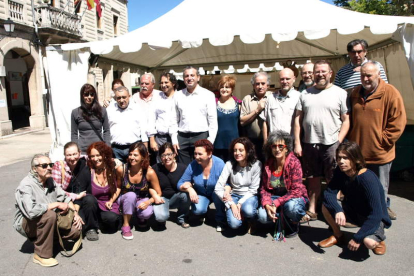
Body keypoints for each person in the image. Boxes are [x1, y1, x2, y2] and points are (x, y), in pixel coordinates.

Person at [348, 61, 406, 220]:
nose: (365, 79)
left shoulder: (390, 93)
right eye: (362, 75)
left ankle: (380, 218)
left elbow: (398, 122)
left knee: (380, 188)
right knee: (361, 186)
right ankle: (365, 215)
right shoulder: (354, 93)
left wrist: (383, 141)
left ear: (379, 74)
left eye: (369, 75)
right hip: (359, 153)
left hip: (380, 153)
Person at [294, 60, 350, 223]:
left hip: (331, 143)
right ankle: (312, 210)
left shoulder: (340, 93)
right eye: (317, 71)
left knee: (334, 179)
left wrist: (338, 142)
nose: (320, 74)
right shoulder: (304, 94)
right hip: (309, 143)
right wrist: (298, 143)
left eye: (323, 71)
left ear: (330, 73)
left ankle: (334, 210)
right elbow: (297, 120)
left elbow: (346, 120)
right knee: (312, 178)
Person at [318, 141, 391, 256]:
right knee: (326, 205)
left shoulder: (367, 179)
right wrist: (338, 210)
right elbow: (329, 193)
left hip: (372, 218)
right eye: (339, 158)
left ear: (356, 159)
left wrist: (357, 238)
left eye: (345, 158)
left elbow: (376, 214)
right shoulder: (341, 172)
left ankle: (378, 240)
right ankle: (338, 236)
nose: (341, 161)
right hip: (354, 212)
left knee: (368, 242)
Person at [14, 154, 83, 267]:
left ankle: (47, 240)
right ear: (34, 169)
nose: (49, 168)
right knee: (49, 215)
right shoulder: (26, 185)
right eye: (44, 166)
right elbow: (31, 211)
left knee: (75, 230)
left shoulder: (50, 181)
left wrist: (75, 213)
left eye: (50, 165)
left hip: (47, 219)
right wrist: (55, 204)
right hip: (27, 223)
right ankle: (41, 255)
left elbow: (65, 198)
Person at [258, 131, 309, 238]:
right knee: (262, 215)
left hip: (293, 198)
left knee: (291, 208)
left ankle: (293, 223)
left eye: (281, 146)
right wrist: (267, 204)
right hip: (275, 197)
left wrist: (276, 203)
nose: (277, 149)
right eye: (274, 146)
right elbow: (264, 189)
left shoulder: (294, 163)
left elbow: (297, 190)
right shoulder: (268, 164)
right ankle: (279, 221)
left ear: (287, 148)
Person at [52, 142, 101, 241]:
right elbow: (56, 191)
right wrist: (75, 196)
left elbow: (101, 159)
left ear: (79, 153)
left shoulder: (86, 161)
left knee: (90, 199)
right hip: (67, 200)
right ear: (65, 155)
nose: (72, 157)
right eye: (69, 155)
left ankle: (92, 228)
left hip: (85, 198)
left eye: (74, 154)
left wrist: (115, 161)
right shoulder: (59, 166)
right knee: (78, 230)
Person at [177, 139, 226, 232]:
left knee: (218, 193)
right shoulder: (193, 165)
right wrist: (190, 189)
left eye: (200, 154)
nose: (196, 157)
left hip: (216, 193)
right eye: (195, 154)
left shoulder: (220, 164)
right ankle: (204, 212)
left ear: (209, 154)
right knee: (198, 210)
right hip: (202, 193)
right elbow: (180, 183)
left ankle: (221, 221)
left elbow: (227, 183)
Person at [172, 66, 218, 165]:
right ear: (183, 79)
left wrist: (210, 141)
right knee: (184, 169)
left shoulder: (208, 95)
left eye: (192, 75)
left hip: (201, 136)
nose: (189, 78)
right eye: (186, 76)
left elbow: (213, 120)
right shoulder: (177, 95)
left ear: (198, 77)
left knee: (201, 167)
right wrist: (174, 139)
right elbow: (173, 119)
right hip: (182, 137)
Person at [215, 137, 261, 232]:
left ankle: (251, 220)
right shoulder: (229, 164)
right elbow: (218, 188)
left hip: (249, 196)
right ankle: (241, 218)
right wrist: (231, 204)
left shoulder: (256, 165)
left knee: (248, 210)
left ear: (248, 151)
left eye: (241, 150)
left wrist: (240, 203)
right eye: (235, 150)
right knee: (234, 224)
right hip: (234, 195)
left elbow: (253, 189)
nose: (237, 153)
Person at [117, 142, 162, 240]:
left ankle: (140, 217)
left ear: (143, 157)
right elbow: (118, 188)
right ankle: (126, 225)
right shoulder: (122, 169)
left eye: (135, 155)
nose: (132, 157)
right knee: (131, 195)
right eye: (130, 154)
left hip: (141, 200)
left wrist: (148, 202)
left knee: (146, 213)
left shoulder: (149, 172)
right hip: (124, 199)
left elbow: (158, 192)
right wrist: (112, 201)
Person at [152, 143, 191, 229]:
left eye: (169, 154)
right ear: (160, 157)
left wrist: (189, 186)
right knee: (161, 217)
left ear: (174, 154)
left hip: (176, 197)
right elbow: (150, 186)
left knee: (186, 194)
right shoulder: (155, 168)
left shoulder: (183, 168)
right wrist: (155, 196)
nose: (166, 158)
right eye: (163, 155)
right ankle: (162, 216)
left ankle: (181, 218)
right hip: (161, 198)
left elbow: (189, 183)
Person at [87, 142, 123, 234]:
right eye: (92, 156)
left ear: (105, 155)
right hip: (93, 205)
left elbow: (118, 187)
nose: (95, 159)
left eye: (98, 155)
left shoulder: (114, 168)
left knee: (111, 219)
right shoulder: (88, 169)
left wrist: (111, 200)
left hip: (108, 202)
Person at [107, 86, 148, 162]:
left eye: (124, 97)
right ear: (115, 98)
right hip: (116, 149)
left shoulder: (137, 109)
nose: (121, 100)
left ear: (129, 96)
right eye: (119, 98)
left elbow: (143, 131)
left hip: (134, 149)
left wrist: (145, 150)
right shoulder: (110, 110)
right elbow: (106, 130)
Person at [240, 72, 272, 161]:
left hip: (271, 141)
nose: (260, 86)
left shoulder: (273, 97)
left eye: (263, 83)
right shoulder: (247, 99)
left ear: (268, 85)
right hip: (252, 141)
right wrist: (257, 110)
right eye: (257, 84)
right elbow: (242, 122)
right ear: (253, 86)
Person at [71, 83, 111, 154]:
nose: (89, 97)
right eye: (86, 94)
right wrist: (75, 149)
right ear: (82, 96)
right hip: (83, 150)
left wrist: (107, 147)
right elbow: (74, 134)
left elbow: (106, 131)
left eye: (92, 94)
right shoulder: (75, 112)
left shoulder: (102, 111)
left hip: (98, 150)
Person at [263, 68, 300, 143]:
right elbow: (265, 122)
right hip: (274, 142)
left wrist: (297, 143)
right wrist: (265, 141)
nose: (285, 81)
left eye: (287, 79)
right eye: (282, 79)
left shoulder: (299, 97)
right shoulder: (270, 98)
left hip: (291, 142)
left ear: (294, 79)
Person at [148, 73, 178, 163]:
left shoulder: (180, 96)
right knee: (161, 164)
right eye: (161, 83)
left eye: (166, 82)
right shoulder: (157, 97)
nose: (163, 85)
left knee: (175, 163)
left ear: (173, 83)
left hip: (177, 137)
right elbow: (151, 118)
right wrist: (152, 140)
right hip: (160, 138)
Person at [133, 73, 162, 165]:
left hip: (157, 136)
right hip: (140, 137)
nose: (143, 86)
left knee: (158, 162)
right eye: (142, 84)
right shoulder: (134, 97)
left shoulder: (160, 96)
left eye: (146, 84)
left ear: (153, 84)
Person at [213, 75, 241, 162]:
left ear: (232, 89)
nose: (224, 89)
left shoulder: (239, 104)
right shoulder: (213, 103)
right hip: (217, 144)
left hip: (234, 145)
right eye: (222, 87)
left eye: (227, 87)